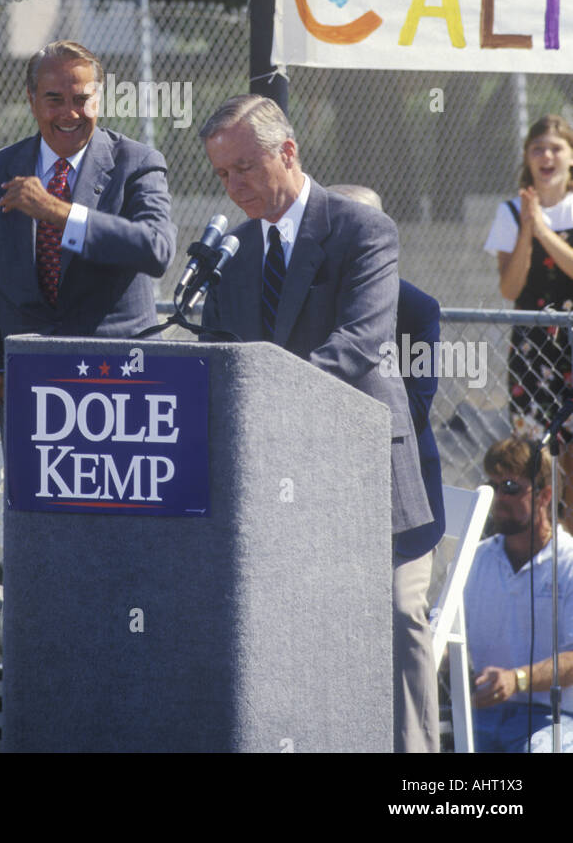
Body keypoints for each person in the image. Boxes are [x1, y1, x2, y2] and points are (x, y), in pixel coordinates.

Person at [199, 96, 431, 542]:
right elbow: (215, 350)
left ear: (287, 152)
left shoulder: (363, 229)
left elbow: (361, 342)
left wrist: (262, 395)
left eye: (244, 167)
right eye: (222, 174)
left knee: (375, 613)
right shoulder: (232, 249)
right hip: (265, 475)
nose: (233, 185)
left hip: (354, 461)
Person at [0, 40, 176, 405]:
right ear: (31, 99)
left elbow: (155, 249)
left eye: (82, 99)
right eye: (54, 99)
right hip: (31, 388)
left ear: (99, 99)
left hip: (123, 385)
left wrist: (60, 213)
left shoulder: (137, 163)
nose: (70, 114)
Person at [330, 184, 445, 754]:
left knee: (401, 612)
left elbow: (416, 409)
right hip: (321, 498)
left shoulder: (418, 309)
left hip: (402, 508)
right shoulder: (311, 297)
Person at [483, 114, 573, 532]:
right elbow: (510, 286)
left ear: (570, 156)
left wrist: (544, 229)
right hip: (532, 350)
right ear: (527, 157)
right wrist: (526, 229)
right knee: (537, 455)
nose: (547, 155)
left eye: (555, 147)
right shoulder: (511, 211)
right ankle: (543, 545)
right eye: (538, 148)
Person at [464, 437, 573, 753]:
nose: (498, 497)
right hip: (480, 715)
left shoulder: (567, 562)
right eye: (492, 485)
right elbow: (443, 641)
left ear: (545, 496)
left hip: (554, 719)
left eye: (510, 486)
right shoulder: (476, 558)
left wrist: (517, 680)